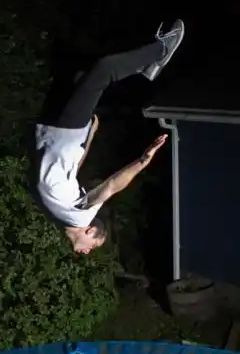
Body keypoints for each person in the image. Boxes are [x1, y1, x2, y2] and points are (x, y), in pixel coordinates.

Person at [34, 19, 185, 254]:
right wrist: (142, 161)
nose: (87, 252)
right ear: (91, 231)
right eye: (93, 247)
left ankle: (144, 67)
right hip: (68, 130)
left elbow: (74, 168)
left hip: (51, 129)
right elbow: (112, 185)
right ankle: (160, 51)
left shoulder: (61, 215)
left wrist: (91, 135)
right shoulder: (83, 216)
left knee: (78, 75)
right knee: (103, 70)